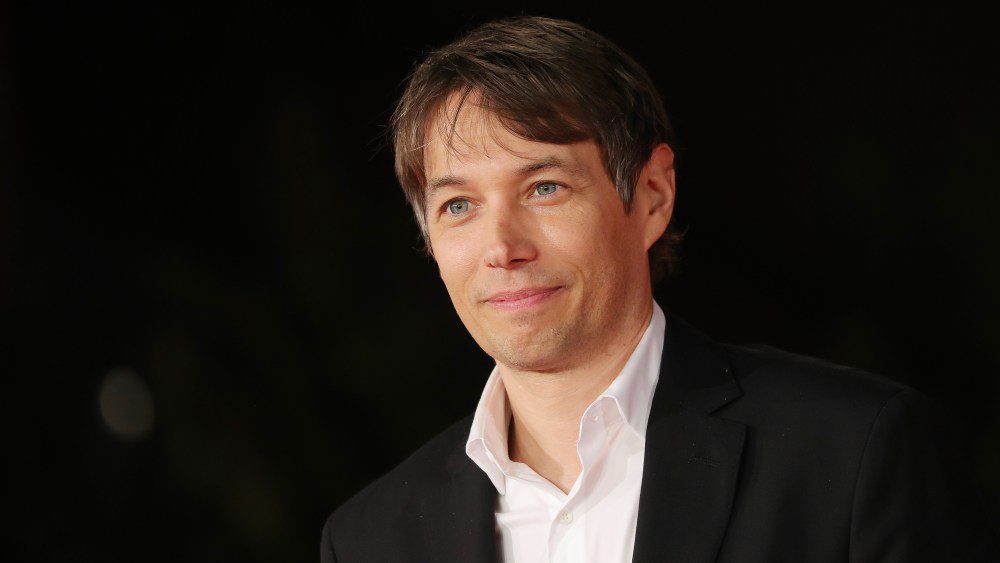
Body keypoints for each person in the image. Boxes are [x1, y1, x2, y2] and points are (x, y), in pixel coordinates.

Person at [320, 16, 996, 563]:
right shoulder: (368, 539)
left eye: (544, 187)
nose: (502, 248)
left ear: (652, 195)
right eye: (459, 206)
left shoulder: (853, 454)